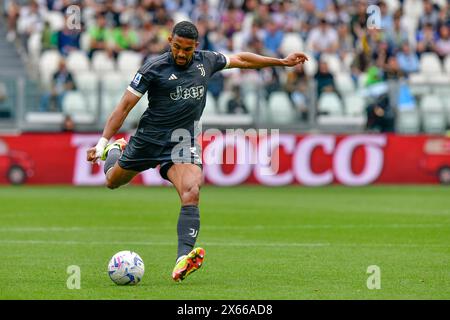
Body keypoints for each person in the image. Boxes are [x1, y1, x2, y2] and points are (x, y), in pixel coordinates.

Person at [86, 21, 308, 282]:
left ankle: (182, 259)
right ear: (169, 41)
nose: (181, 54)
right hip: (148, 140)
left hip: (182, 141)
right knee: (113, 181)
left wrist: (281, 62)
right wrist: (102, 143)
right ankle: (116, 150)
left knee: (191, 191)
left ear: (196, 47)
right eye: (177, 47)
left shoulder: (207, 61)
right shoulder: (152, 69)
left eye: (187, 49)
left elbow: (242, 60)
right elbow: (123, 107)